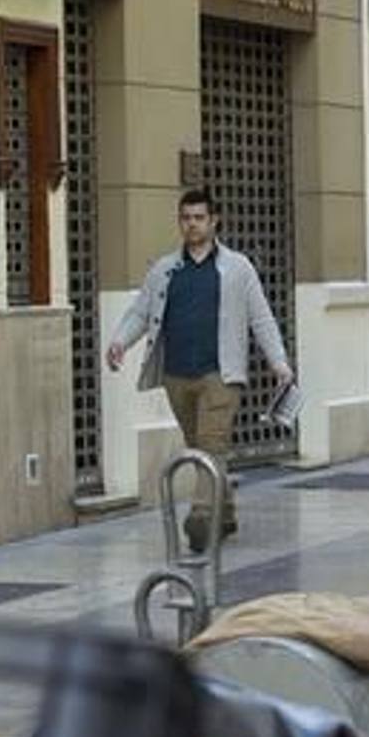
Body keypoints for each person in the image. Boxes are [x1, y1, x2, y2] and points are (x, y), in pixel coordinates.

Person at [105, 188, 293, 553]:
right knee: (201, 447)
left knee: (211, 444)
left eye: (198, 218)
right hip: (177, 374)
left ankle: (202, 516)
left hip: (220, 375)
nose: (191, 225)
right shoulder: (165, 269)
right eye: (185, 218)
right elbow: (141, 312)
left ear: (213, 221)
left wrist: (279, 361)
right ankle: (227, 512)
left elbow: (261, 317)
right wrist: (119, 342)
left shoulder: (238, 268)